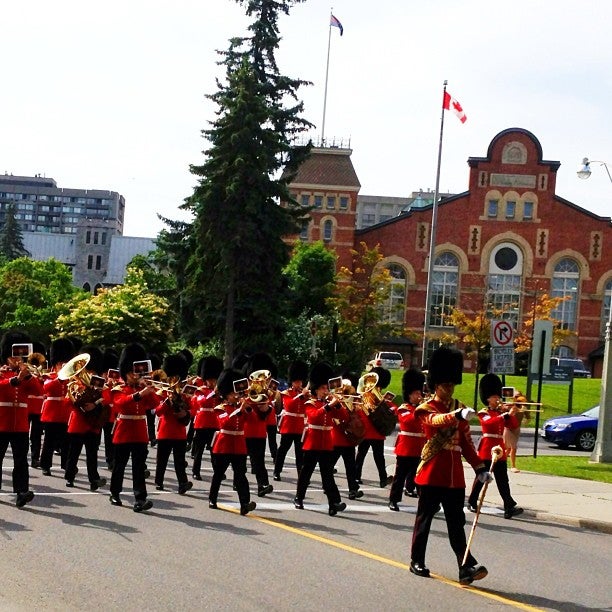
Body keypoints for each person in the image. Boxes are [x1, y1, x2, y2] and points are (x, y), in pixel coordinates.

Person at [410, 346, 491, 586]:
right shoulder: (426, 408)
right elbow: (435, 423)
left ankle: (465, 566)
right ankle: (416, 560)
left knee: (457, 523)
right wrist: (456, 415)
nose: (450, 389)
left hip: (454, 476)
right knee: (424, 519)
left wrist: (480, 468)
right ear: (436, 385)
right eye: (446, 385)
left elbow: (466, 444)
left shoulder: (458, 406)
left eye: (452, 385)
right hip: (432, 473)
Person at [109, 343, 159, 512]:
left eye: (136, 373)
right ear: (126, 373)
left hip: (139, 431)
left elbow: (154, 405)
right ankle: (115, 493)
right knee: (119, 466)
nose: (134, 376)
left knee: (139, 467)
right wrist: (139, 394)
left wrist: (148, 390)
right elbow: (120, 404)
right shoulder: (119, 388)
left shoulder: (142, 387)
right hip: (124, 431)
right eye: (131, 373)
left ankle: (140, 499)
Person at [467, 374, 523, 519]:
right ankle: (472, 500)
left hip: (500, 450)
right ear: (487, 399)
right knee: (482, 477)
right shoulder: (483, 412)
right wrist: (503, 415)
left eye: (498, 396)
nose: (497, 399)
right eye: (494, 397)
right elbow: (489, 423)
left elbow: (513, 426)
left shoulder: (501, 413)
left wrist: (511, 414)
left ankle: (508, 506)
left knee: (503, 479)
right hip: (487, 450)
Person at [294, 362, 346, 517]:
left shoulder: (328, 403)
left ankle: (334, 503)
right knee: (306, 472)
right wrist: (329, 406)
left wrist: (338, 405)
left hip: (326, 443)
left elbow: (343, 417)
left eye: (326, 388)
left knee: (327, 474)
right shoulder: (310, 403)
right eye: (323, 388)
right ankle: (299, 497)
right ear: (316, 389)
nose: (325, 391)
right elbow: (315, 417)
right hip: (312, 441)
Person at [208, 368, 256, 516]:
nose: (236, 396)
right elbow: (224, 422)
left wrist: (248, 409)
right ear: (226, 395)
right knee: (218, 474)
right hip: (223, 445)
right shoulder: (220, 408)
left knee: (241, 475)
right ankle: (212, 498)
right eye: (233, 394)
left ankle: (244, 503)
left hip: (239, 446)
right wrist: (239, 410)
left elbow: (253, 421)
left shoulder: (242, 407)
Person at [0, 331, 39, 507]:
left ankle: (21, 492)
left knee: (21, 460)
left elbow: (39, 391)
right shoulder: (1, 373)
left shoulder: (27, 375)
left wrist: (28, 375)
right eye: (13, 357)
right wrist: (14, 380)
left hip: (20, 424)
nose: (17, 360)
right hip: (1, 422)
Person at [63, 345, 109, 491]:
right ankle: (70, 476)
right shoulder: (75, 382)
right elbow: (66, 401)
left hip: (94, 421)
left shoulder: (100, 382)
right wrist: (79, 402)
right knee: (74, 452)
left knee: (92, 453)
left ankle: (93, 478)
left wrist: (94, 404)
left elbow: (107, 399)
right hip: (78, 420)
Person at [154, 353, 193, 495]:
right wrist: (167, 401)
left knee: (180, 461)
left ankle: (183, 483)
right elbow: (158, 412)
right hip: (165, 431)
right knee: (162, 460)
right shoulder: (162, 393)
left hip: (180, 432)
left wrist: (185, 412)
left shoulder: (184, 393)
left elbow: (191, 408)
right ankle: (159, 481)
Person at [389, 368, 425, 511]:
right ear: (409, 395)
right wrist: (420, 410)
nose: (419, 395)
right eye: (416, 393)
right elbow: (408, 420)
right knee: (400, 477)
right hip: (406, 448)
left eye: (419, 393)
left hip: (420, 448)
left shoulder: (422, 409)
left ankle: (426, 502)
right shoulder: (404, 408)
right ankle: (393, 500)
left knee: (420, 477)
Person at [40, 338, 75, 475]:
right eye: (61, 363)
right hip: (52, 412)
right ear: (56, 363)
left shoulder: (73, 378)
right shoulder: (49, 375)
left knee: (67, 441)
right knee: (49, 441)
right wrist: (60, 377)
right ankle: (45, 464)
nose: (63, 365)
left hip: (66, 412)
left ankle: (66, 465)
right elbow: (47, 387)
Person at [355, 367, 394, 488]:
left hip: (373, 430)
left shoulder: (379, 397)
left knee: (368, 455)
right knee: (370, 455)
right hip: (372, 429)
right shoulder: (368, 396)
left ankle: (360, 476)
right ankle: (380, 478)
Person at [273, 360, 308, 481]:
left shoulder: (305, 394)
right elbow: (290, 405)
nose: (299, 383)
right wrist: (301, 395)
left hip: (299, 427)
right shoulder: (285, 393)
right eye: (297, 381)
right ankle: (277, 471)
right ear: (292, 382)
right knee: (283, 450)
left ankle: (301, 475)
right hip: (288, 426)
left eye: (300, 381)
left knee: (300, 453)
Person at [190, 356, 223, 481]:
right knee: (199, 450)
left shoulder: (218, 392)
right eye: (211, 380)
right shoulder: (200, 390)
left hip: (215, 422)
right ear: (206, 379)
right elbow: (202, 402)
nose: (213, 383)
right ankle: (195, 471)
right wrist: (213, 393)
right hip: (202, 423)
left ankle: (218, 471)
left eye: (215, 380)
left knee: (214, 450)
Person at [504, 389, 529, 473]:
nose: (518, 398)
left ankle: (499, 460)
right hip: (508, 428)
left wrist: (526, 420)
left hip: (516, 429)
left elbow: (527, 416)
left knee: (508, 449)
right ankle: (513, 466)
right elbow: (503, 414)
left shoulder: (523, 406)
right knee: (513, 447)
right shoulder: (509, 406)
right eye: (516, 396)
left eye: (519, 396)